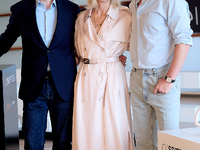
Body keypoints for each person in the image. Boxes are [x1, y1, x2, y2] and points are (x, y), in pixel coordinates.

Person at [0, 0, 80, 149]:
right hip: (34, 85)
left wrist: (114, 54)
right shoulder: (20, 9)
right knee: (32, 144)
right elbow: (5, 40)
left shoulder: (71, 9)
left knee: (63, 143)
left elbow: (84, 40)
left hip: (64, 85)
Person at [129, 0, 193, 149]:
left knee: (169, 143)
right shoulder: (133, 4)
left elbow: (184, 40)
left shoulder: (170, 1)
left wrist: (169, 79)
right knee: (142, 143)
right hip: (137, 79)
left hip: (162, 77)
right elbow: (142, 40)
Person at [72, 0, 133, 149]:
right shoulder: (81, 18)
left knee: (114, 125)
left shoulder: (126, 16)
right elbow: (77, 53)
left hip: (112, 77)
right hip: (86, 79)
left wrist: (115, 57)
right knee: (88, 127)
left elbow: (139, 47)